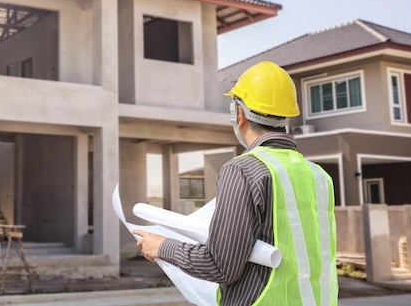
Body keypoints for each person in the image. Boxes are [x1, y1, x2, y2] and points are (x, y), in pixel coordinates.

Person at [133, 61, 338, 306]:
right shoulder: (318, 176)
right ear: (287, 117)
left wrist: (162, 246)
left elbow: (220, 265)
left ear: (239, 114)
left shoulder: (243, 169)